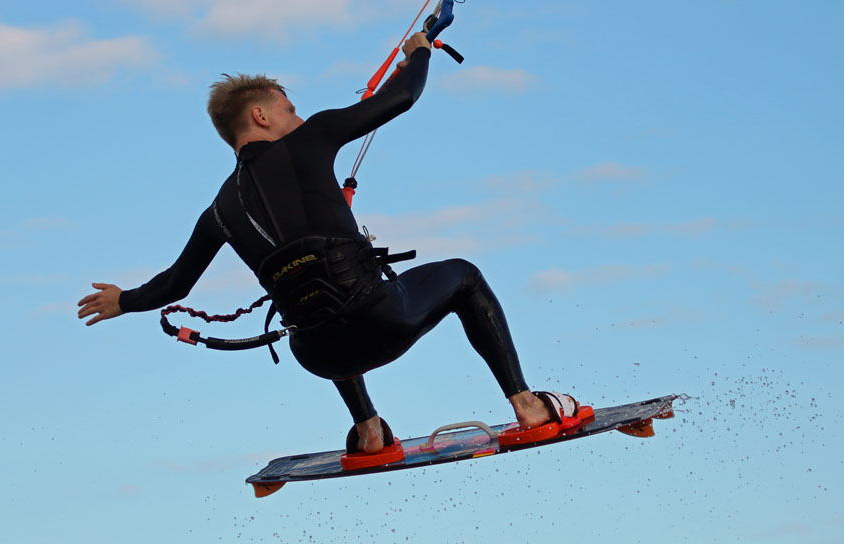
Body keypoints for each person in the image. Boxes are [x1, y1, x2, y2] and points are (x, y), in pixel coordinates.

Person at [77, 33, 582, 458]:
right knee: (464, 275)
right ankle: (527, 405)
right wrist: (420, 53)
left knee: (313, 302)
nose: (297, 118)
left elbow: (174, 283)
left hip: (318, 355)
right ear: (259, 116)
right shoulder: (310, 137)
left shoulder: (219, 212)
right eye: (288, 110)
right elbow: (401, 98)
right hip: (383, 319)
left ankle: (368, 430)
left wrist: (123, 300)